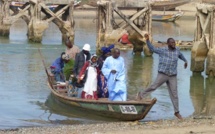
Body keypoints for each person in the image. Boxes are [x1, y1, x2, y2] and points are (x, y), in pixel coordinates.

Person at [137, 33, 188, 119]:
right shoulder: (163, 50)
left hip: (172, 75)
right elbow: (152, 48)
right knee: (154, 86)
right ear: (168, 44)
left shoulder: (177, 50)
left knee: (174, 94)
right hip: (163, 74)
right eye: (172, 43)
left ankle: (177, 112)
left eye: (174, 43)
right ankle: (141, 95)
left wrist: (185, 61)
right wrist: (147, 40)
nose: (173, 44)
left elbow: (181, 55)